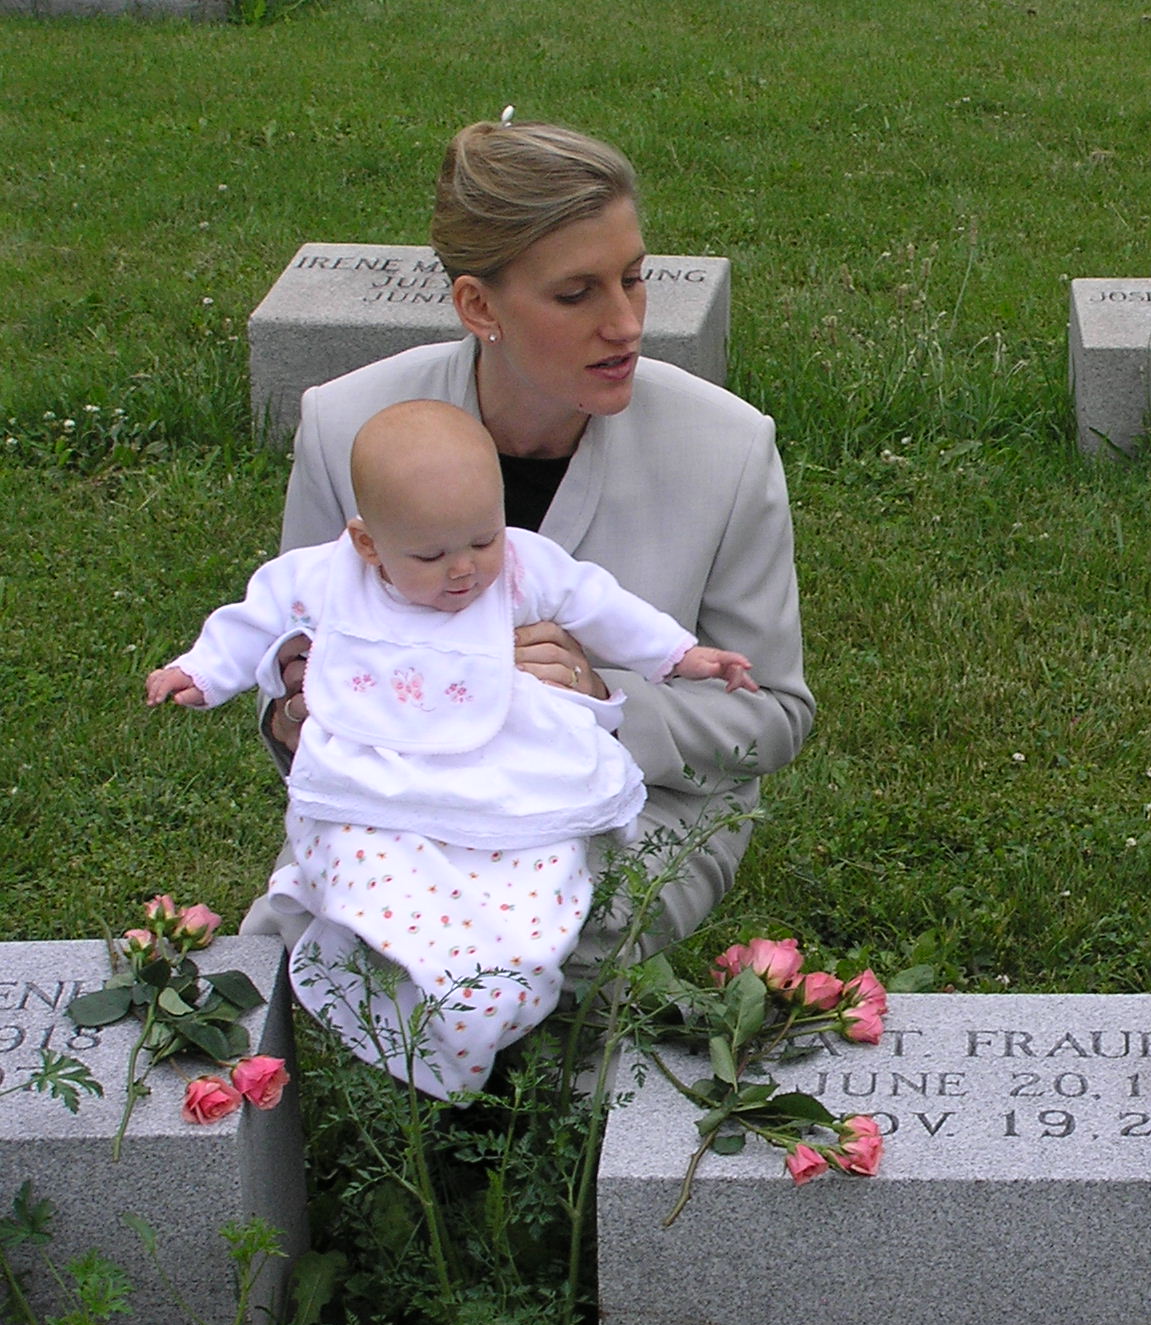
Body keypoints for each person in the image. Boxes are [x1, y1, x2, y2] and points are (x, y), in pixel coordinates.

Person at [251, 116, 813, 996]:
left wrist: (600, 699)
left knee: (538, 949)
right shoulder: (346, 425)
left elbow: (775, 716)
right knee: (299, 947)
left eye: (634, 279)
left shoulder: (726, 448)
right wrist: (297, 710)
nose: (625, 324)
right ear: (479, 307)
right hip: (399, 812)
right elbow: (291, 664)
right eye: (576, 294)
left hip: (637, 805)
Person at [152, 400, 762, 1097]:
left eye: (483, 539)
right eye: (431, 556)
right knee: (359, 868)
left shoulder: (521, 566)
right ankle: (398, 976)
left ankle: (486, 999)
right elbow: (251, 621)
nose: (465, 571)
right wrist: (201, 674)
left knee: (539, 889)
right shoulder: (324, 578)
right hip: (375, 787)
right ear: (368, 544)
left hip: (504, 786)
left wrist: (680, 655)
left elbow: (602, 606)